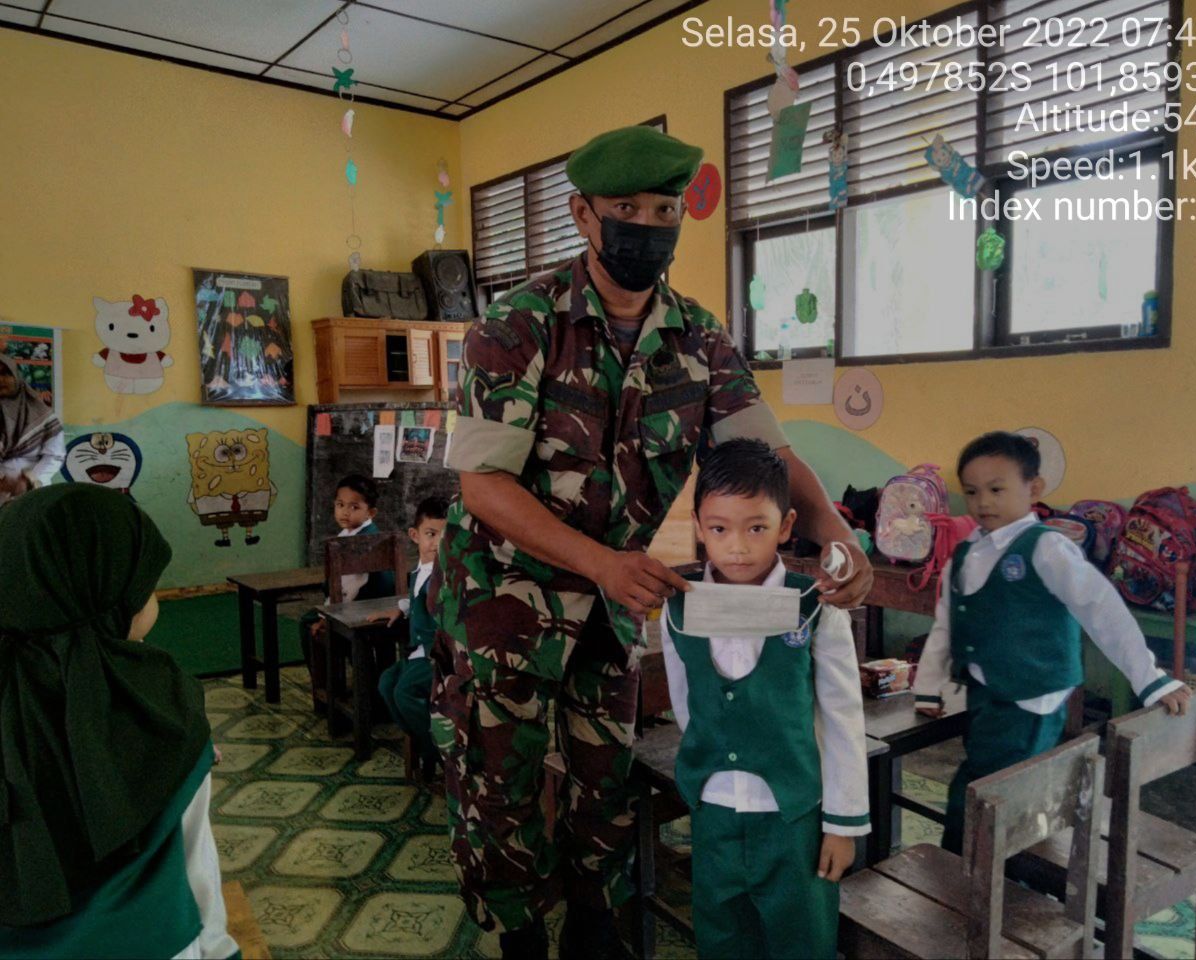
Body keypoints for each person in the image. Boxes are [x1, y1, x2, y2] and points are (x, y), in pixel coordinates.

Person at [432, 124, 873, 959]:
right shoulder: (520, 324)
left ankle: (598, 930)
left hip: (613, 610)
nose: (646, 225)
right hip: (503, 609)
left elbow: (769, 454)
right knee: (501, 789)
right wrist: (600, 563)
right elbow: (481, 484)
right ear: (582, 215)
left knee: (605, 780)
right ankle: (521, 937)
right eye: (624, 209)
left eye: (664, 209)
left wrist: (838, 537)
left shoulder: (700, 339)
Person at [912, 431, 1192, 853]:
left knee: (980, 796)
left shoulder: (1047, 548)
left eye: (996, 489)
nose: (983, 502)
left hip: (1030, 699)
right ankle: (997, 869)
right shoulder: (967, 552)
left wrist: (1150, 679)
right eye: (971, 492)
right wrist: (929, 686)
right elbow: (947, 624)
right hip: (986, 694)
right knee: (997, 788)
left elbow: (1103, 610)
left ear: (1034, 489)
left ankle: (967, 873)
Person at [0, 484, 237, 958]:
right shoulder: (163, 712)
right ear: (104, 596)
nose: (153, 595)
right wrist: (220, 949)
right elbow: (195, 864)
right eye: (144, 582)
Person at [660, 439, 869, 960]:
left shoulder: (816, 606)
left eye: (756, 527)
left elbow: (843, 717)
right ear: (699, 525)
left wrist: (842, 824)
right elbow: (688, 705)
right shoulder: (678, 610)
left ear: (786, 524)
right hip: (714, 815)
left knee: (802, 939)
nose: (736, 547)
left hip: (793, 818)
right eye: (719, 528)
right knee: (723, 937)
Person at [301, 474, 397, 711]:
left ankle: (329, 693)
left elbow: (348, 590)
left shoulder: (355, 543)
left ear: (370, 512)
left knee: (308, 623)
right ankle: (356, 685)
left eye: (354, 507)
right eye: (340, 505)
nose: (345, 512)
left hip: (361, 610)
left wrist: (325, 618)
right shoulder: (367, 534)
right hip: (377, 605)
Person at [371, 496, 447, 780]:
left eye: (445, 535)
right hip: (417, 651)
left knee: (405, 692)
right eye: (431, 534)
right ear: (415, 536)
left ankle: (438, 751)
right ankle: (425, 741)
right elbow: (415, 598)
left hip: (434, 655)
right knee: (386, 683)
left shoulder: (445, 575)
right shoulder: (419, 571)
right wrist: (402, 608)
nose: (438, 543)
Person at [0, 353, 65, 504]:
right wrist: (4, 482)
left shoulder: (43, 414)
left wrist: (29, 480)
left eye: (6, 373)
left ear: (16, 376)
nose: (1, 379)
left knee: (29, 525)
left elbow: (55, 455)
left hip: (34, 488)